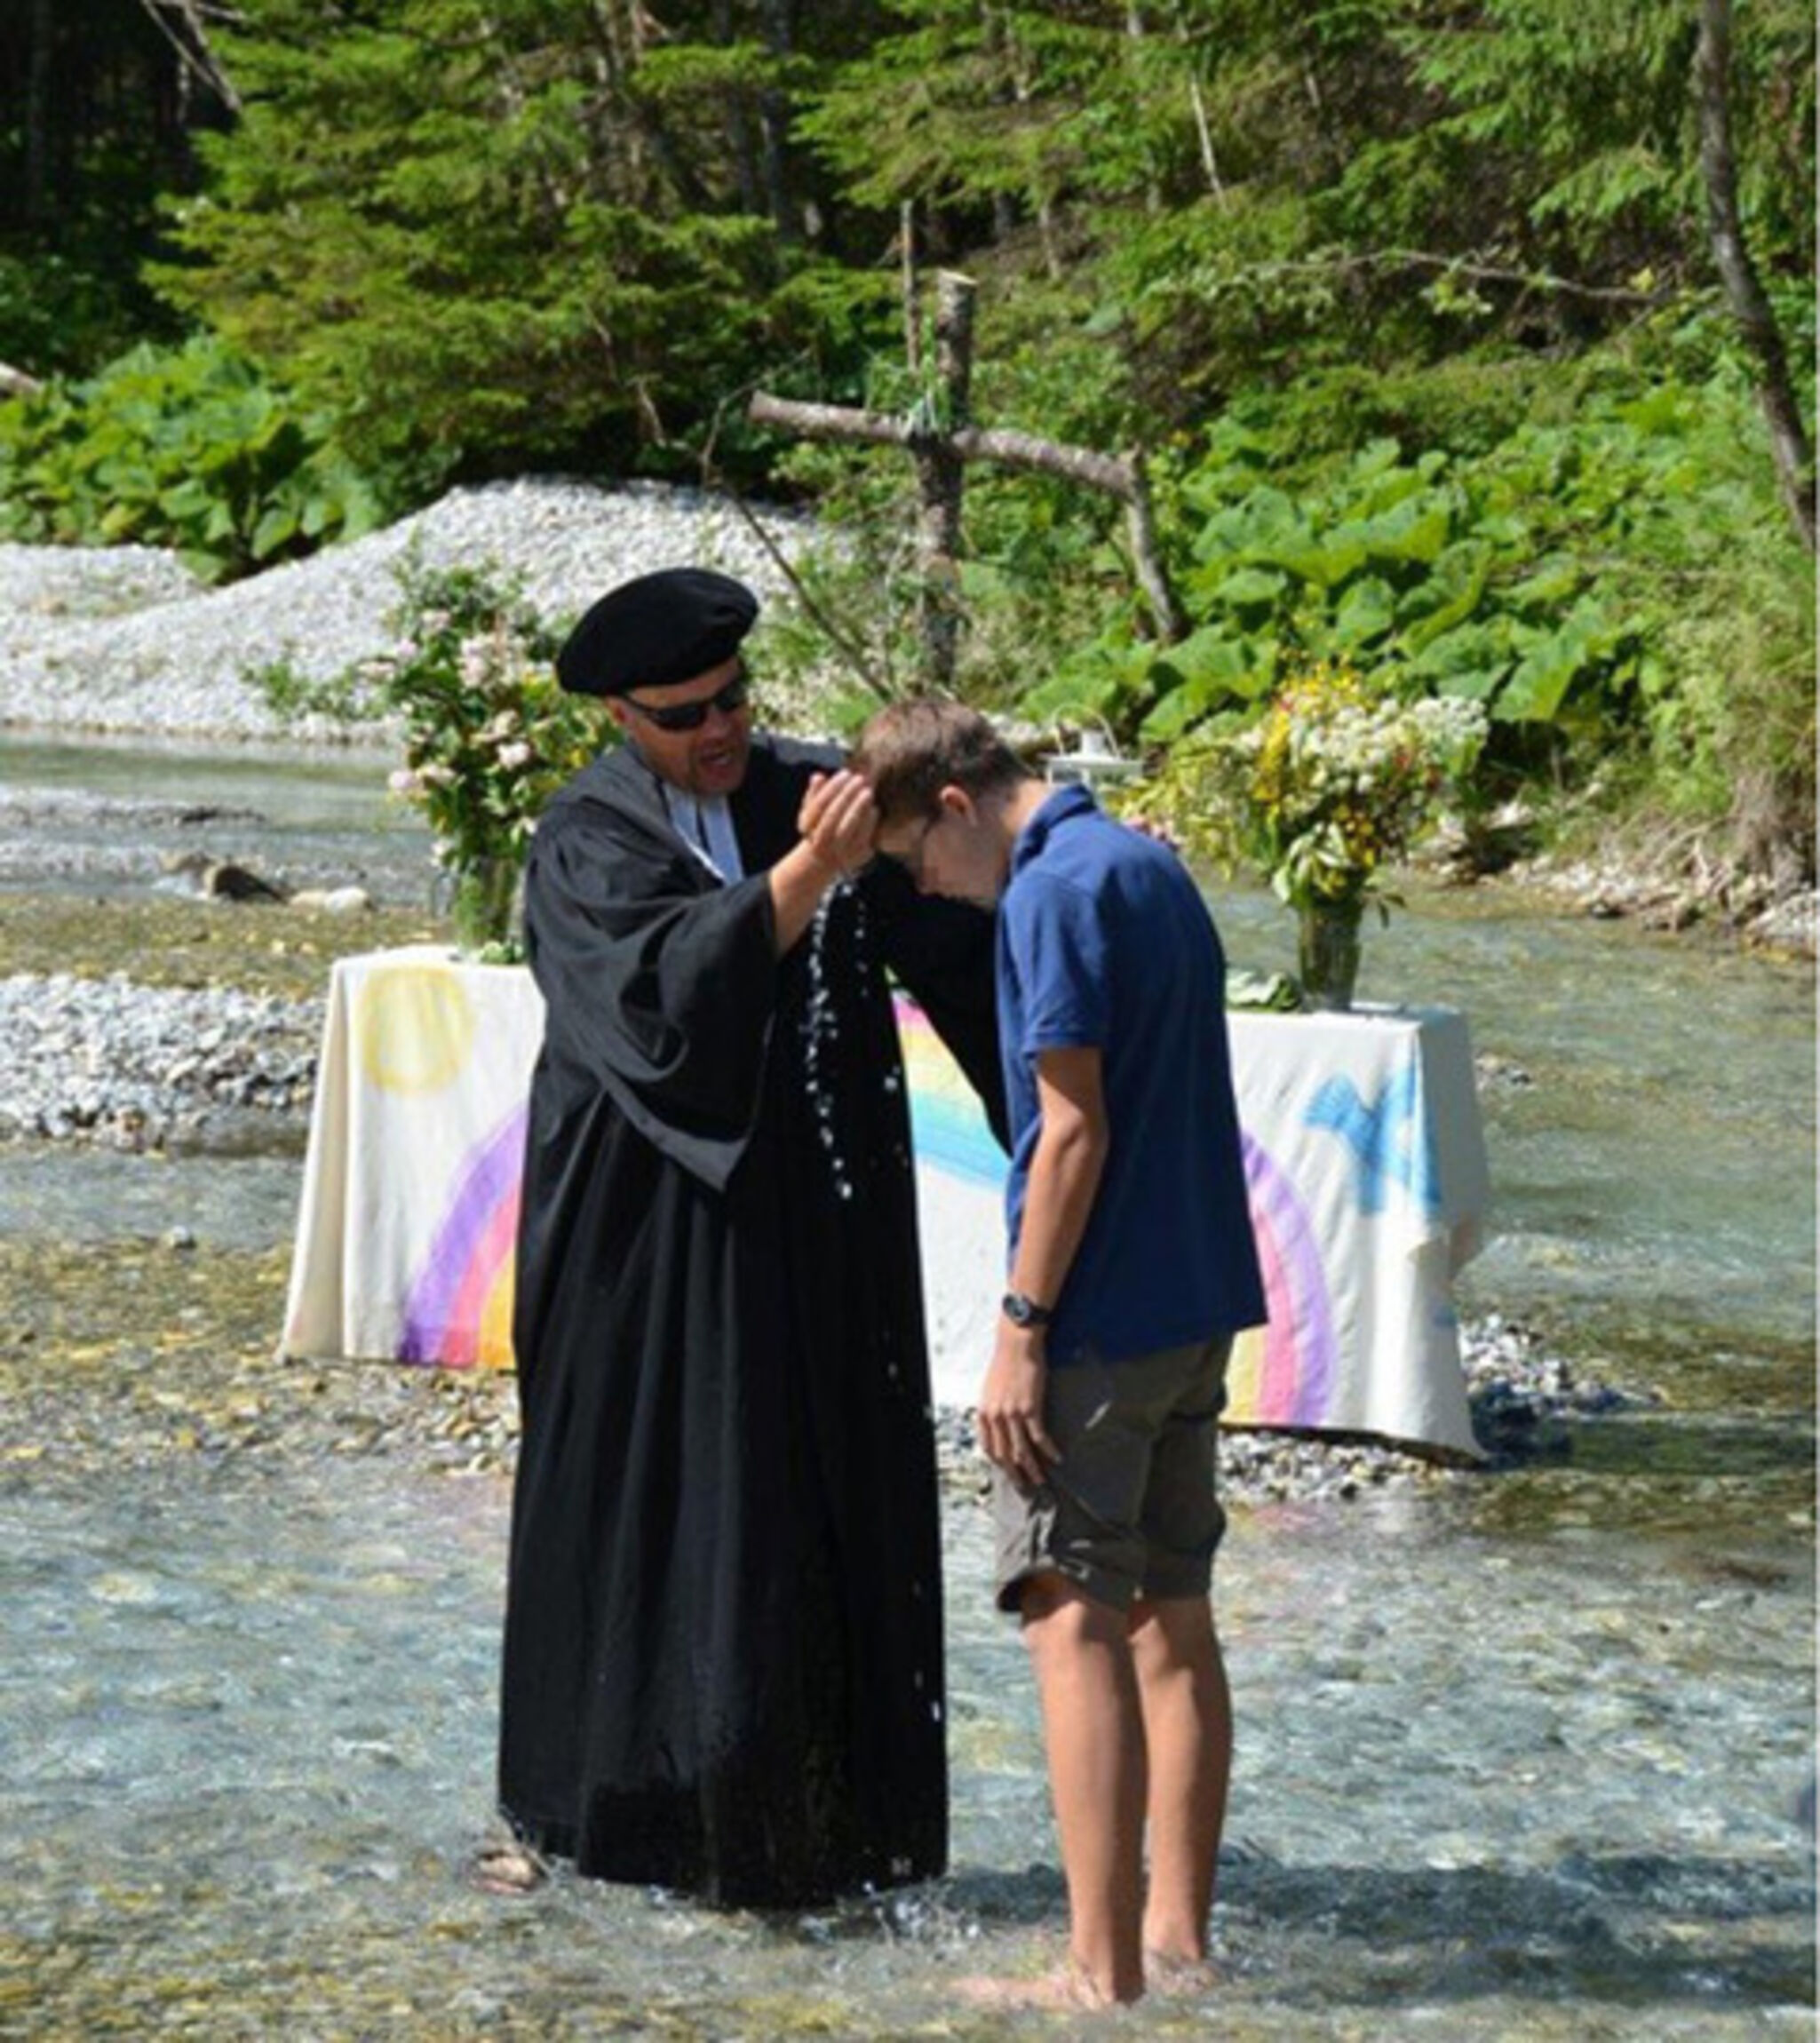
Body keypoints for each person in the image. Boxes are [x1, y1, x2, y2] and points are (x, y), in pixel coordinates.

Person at [487, 571, 1004, 1908]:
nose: (718, 731)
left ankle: (827, 1830)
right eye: (680, 716)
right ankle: (614, 1821)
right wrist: (807, 872)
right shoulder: (585, 840)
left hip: (811, 1230)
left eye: (732, 701)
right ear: (618, 714)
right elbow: (667, 1006)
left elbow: (956, 929)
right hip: (642, 1246)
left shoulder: (800, 795)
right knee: (656, 1508)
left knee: (809, 1502)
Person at [852, 698, 1267, 2007]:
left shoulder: (1044, 893)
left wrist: (1019, 1332)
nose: (926, 887)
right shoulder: (1146, 862)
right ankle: (1177, 1942)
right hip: (1194, 1299)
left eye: (917, 860)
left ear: (959, 807)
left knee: (1066, 1617)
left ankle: (1098, 1974)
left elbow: (1069, 1131)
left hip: (1092, 1312)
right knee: (1171, 1617)